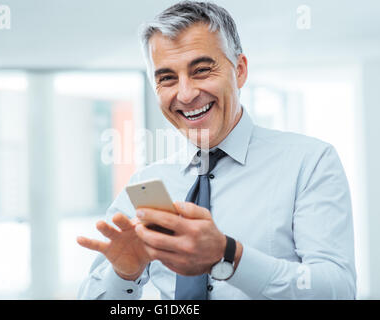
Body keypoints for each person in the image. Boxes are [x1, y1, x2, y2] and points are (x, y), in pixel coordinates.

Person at [77, 1, 356, 299]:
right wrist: (124, 274)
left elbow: (338, 290)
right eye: (167, 78)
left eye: (201, 70)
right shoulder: (145, 185)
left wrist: (229, 256)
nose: (185, 94)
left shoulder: (309, 163)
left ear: (239, 71)